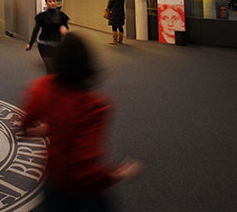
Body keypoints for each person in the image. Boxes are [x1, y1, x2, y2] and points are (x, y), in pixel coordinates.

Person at [17, 33, 143, 210]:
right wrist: (118, 174)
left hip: (52, 175)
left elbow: (25, 122)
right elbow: (84, 168)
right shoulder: (95, 106)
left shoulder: (42, 87)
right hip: (81, 189)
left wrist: (41, 129)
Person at [27, 0, 70, 74]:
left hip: (58, 44)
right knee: (50, 68)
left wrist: (65, 29)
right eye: (50, 1)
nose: (52, 3)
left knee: (58, 68)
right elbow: (36, 30)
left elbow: (66, 27)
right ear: (46, 3)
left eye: (54, 1)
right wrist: (30, 43)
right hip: (44, 45)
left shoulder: (62, 15)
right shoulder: (42, 16)